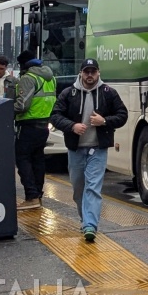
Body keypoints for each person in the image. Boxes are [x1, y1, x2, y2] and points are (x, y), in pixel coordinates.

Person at [50, 58, 127, 243]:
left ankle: (90, 225)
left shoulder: (108, 93)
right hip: (76, 150)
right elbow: (55, 116)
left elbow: (122, 115)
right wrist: (72, 126)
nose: (90, 75)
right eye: (87, 72)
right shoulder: (69, 93)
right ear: (81, 73)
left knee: (92, 188)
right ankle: (85, 219)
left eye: (93, 71)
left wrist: (104, 121)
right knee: (78, 190)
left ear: (98, 73)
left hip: (97, 150)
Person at [13, 50, 56, 210]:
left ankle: (31, 196)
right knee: (38, 160)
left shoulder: (28, 78)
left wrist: (5, 108)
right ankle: (38, 195)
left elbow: (22, 105)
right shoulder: (50, 78)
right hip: (44, 125)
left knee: (22, 159)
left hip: (28, 125)